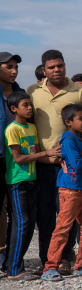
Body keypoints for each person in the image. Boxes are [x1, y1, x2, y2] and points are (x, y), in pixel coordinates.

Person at [27, 49, 82, 274]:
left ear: (65, 66)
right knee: (44, 215)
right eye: (51, 67)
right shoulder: (33, 91)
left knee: (69, 215)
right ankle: (47, 260)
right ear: (43, 70)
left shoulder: (79, 92)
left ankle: (65, 258)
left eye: (60, 65)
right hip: (44, 165)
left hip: (70, 167)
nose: (57, 70)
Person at [4, 91, 61, 280]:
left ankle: (12, 264)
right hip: (17, 183)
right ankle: (14, 270)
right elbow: (19, 158)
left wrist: (56, 158)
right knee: (22, 223)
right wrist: (46, 154)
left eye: (30, 105)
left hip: (32, 180)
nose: (30, 108)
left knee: (28, 226)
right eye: (25, 105)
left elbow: (37, 155)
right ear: (14, 109)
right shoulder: (12, 129)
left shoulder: (32, 128)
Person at [41, 104, 82, 281]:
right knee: (63, 228)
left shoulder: (80, 139)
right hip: (70, 191)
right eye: (80, 118)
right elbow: (77, 164)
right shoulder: (68, 140)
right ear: (68, 122)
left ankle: (81, 264)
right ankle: (49, 267)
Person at [0, 52, 23, 265]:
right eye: (8, 66)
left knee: (17, 212)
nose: (14, 71)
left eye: (15, 66)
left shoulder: (21, 95)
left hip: (18, 161)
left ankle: (12, 258)